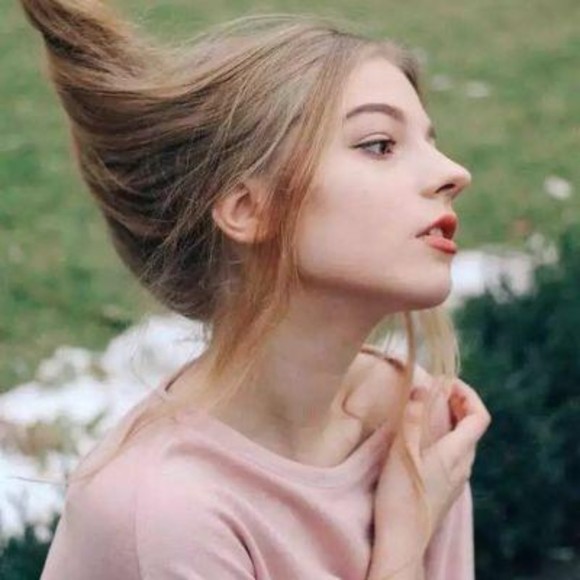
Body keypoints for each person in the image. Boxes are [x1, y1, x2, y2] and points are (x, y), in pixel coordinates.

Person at [19, 0, 492, 578]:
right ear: (248, 209)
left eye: (428, 140)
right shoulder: (165, 510)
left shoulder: (412, 418)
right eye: (379, 145)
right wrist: (402, 546)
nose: (453, 172)